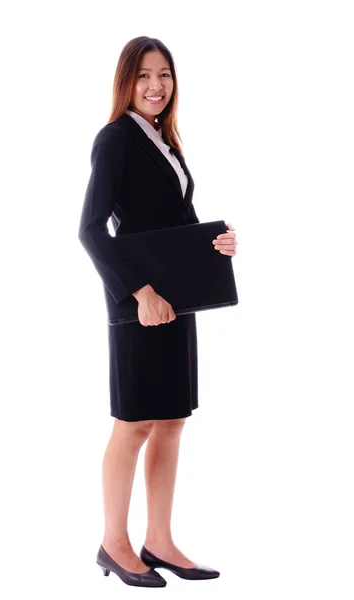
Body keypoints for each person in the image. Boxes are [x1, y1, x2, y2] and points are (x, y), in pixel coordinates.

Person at [78, 36, 238, 588]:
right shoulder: (116, 139)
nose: (156, 85)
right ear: (127, 80)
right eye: (145, 75)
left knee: (171, 420)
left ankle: (159, 539)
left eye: (165, 75)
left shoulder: (165, 141)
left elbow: (170, 226)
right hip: (140, 303)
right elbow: (90, 230)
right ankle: (113, 543)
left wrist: (215, 244)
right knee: (133, 424)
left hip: (177, 301)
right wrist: (139, 292)